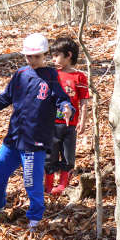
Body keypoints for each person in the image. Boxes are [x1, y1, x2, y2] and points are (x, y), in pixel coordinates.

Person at [0, 33, 74, 231]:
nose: (32, 60)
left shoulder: (51, 77)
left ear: (44, 54)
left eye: (36, 56)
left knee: (31, 183)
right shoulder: (20, 74)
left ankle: (34, 219)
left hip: (34, 142)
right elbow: (5, 98)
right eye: (29, 56)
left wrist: (67, 108)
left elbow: (62, 99)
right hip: (13, 138)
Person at [45, 37, 89, 196]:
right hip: (51, 124)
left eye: (56, 55)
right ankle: (48, 184)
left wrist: (83, 120)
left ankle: (63, 184)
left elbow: (84, 100)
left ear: (68, 55)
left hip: (71, 125)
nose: (53, 59)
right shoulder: (51, 75)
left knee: (68, 156)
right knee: (50, 155)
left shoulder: (79, 77)